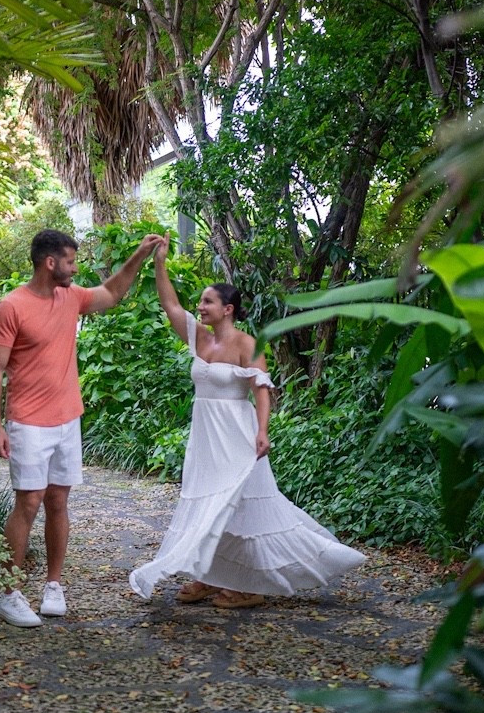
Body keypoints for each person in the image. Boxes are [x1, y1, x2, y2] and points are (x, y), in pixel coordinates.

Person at [129, 232, 365, 608]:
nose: (200, 306)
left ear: (228, 309)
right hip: (206, 436)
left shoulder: (247, 344)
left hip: (236, 434)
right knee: (207, 502)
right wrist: (159, 262)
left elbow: (261, 390)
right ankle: (207, 575)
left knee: (244, 507)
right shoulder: (200, 340)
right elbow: (170, 305)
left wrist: (262, 431)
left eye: (208, 301)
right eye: (201, 301)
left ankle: (251, 585)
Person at [0, 227, 163, 627]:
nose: (75, 267)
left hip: (67, 419)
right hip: (28, 422)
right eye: (70, 261)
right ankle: (8, 594)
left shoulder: (71, 297)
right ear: (51, 263)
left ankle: (53, 586)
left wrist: (141, 254)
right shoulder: (10, 307)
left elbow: (112, 293)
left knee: (58, 502)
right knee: (28, 503)